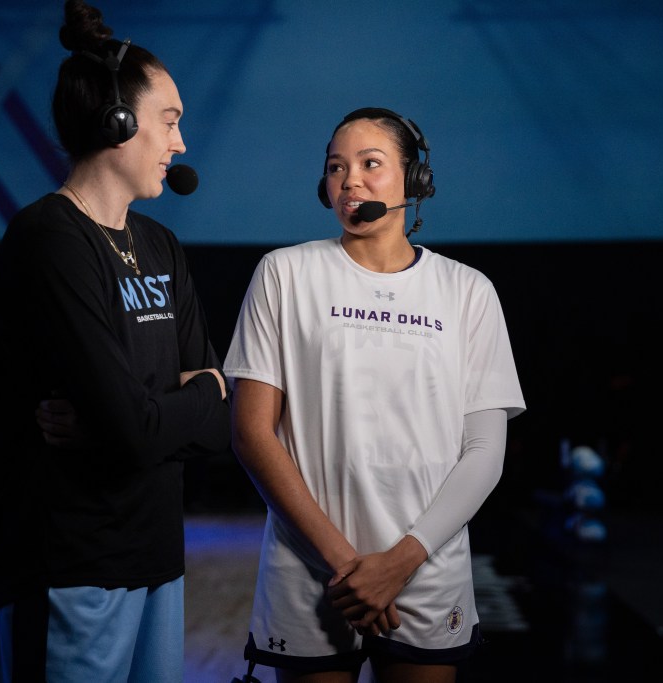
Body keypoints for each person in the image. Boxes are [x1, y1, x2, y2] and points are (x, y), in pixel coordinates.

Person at [223, 107, 525, 683]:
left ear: (415, 179)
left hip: (426, 570)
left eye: (370, 163)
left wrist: (401, 561)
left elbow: (485, 451)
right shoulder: (284, 273)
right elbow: (251, 433)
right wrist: (348, 568)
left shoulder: (468, 291)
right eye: (336, 167)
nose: (350, 181)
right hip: (311, 571)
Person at [0, 2, 230, 681]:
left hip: (158, 559)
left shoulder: (161, 245)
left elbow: (218, 423)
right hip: (68, 568)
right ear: (117, 122)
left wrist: (162, 411)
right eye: (169, 121)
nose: (181, 143)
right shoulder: (49, 238)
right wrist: (193, 396)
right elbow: (139, 426)